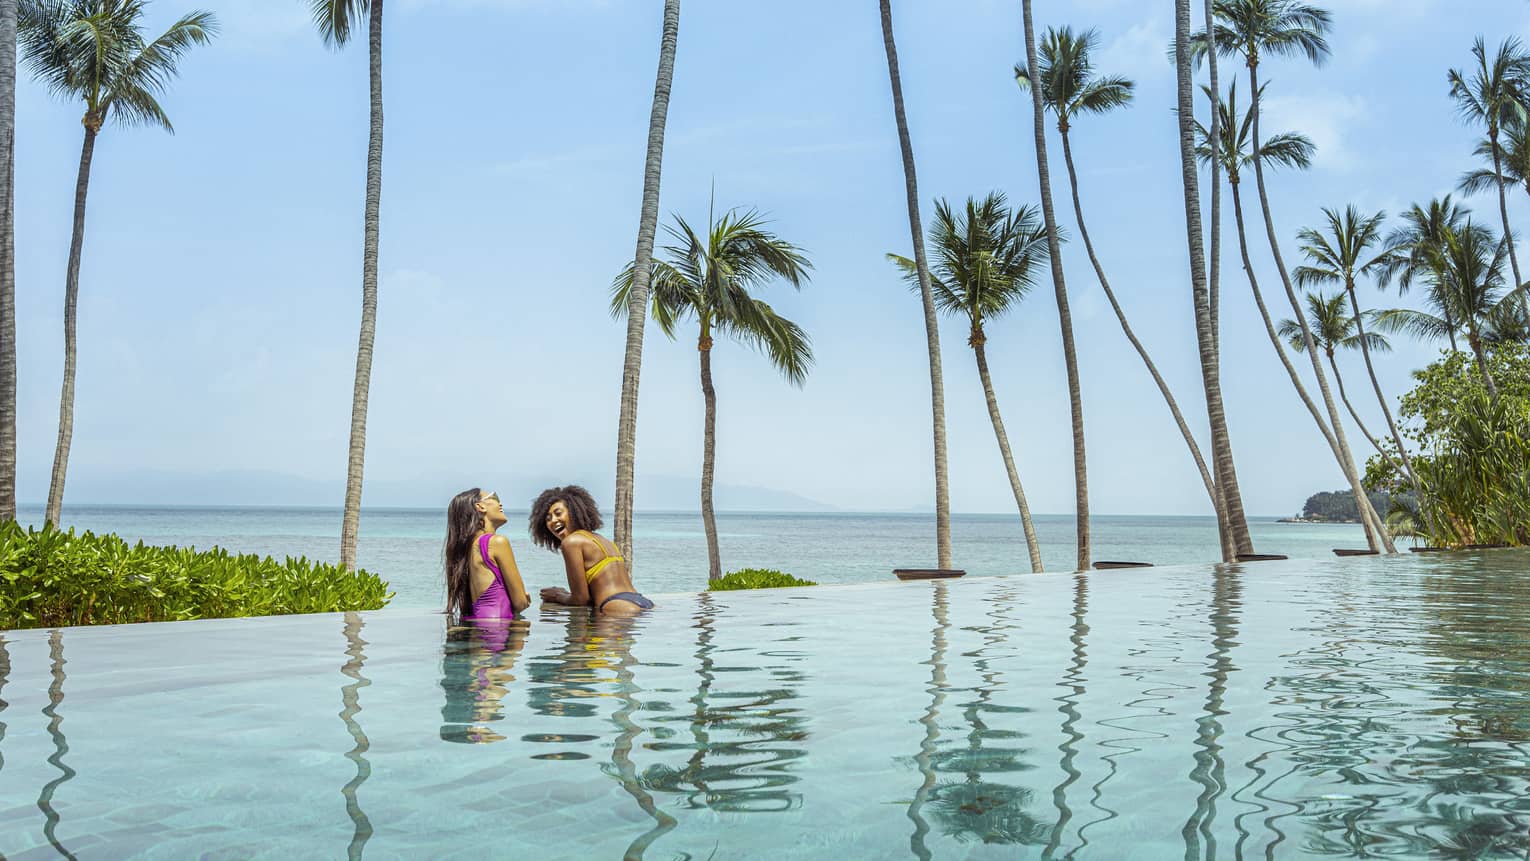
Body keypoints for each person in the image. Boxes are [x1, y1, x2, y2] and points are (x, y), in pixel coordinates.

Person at [529, 485, 654, 615]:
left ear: (573, 511)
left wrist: (558, 596)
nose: (553, 521)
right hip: (641, 601)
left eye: (558, 513)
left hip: (616, 605)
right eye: (548, 519)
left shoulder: (571, 542)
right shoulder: (602, 540)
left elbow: (580, 599)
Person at [444, 488, 530, 620]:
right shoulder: (497, 542)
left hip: (478, 628)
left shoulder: (470, 549)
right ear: (480, 507)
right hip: (496, 632)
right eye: (494, 497)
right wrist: (524, 599)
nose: (500, 504)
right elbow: (520, 603)